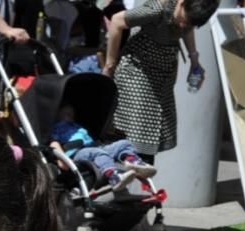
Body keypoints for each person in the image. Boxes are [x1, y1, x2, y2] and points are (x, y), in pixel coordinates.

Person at [102, 0, 218, 162]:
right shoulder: (157, 9)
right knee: (137, 136)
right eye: (183, 19)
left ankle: (136, 176)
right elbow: (116, 21)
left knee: (150, 140)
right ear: (181, 3)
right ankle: (115, 173)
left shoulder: (189, 13)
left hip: (164, 75)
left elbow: (186, 28)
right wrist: (109, 66)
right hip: (138, 73)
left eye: (189, 24)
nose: (183, 25)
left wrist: (194, 59)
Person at [49, 102, 157, 191]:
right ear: (56, 116)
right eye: (66, 114)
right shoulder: (56, 129)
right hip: (77, 153)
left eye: (71, 114)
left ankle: (133, 162)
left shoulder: (77, 126)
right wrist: (62, 159)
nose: (70, 116)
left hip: (95, 147)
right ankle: (113, 176)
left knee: (124, 143)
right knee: (99, 153)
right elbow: (54, 144)